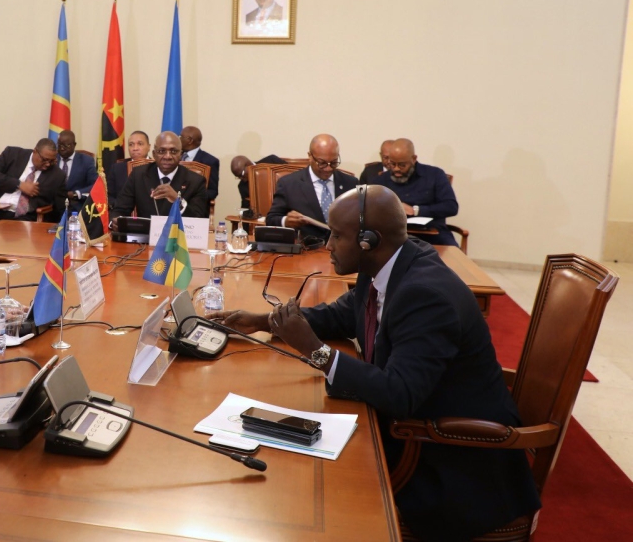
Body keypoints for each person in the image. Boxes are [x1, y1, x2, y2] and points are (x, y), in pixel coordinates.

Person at [210, 185, 540, 541]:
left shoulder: (425, 294)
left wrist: (316, 351)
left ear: (368, 239)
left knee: (306, 492)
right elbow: (342, 315)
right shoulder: (389, 263)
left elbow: (400, 394)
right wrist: (261, 321)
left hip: (453, 463)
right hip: (418, 426)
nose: (328, 245)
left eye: (336, 235)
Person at [266, 134, 357, 243]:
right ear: (310, 156)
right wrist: (286, 221)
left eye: (333, 162)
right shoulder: (289, 184)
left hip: (343, 250)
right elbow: (271, 219)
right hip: (307, 251)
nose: (328, 168)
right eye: (322, 163)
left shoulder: (351, 183)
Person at [368, 138, 459, 246]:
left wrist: (415, 210)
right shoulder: (381, 180)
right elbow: (368, 209)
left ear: (414, 159)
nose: (396, 169)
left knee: (453, 256)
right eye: (392, 164)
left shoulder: (434, 175)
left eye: (402, 165)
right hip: (393, 235)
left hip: (432, 233)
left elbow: (451, 207)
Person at [0, 138, 67, 231]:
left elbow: (59, 208)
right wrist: (19, 184)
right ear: (35, 151)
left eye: (52, 161)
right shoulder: (13, 154)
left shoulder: (57, 176)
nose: (48, 164)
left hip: (23, 218)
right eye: (44, 160)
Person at [113, 131, 208, 219]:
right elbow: (120, 209)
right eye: (162, 151)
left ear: (181, 154)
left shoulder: (196, 181)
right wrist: (115, 221)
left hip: (179, 235)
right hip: (146, 234)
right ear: (154, 154)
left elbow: (199, 219)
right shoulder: (138, 175)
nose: (167, 156)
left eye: (173, 151)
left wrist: (177, 201)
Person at [106, 130, 150, 209]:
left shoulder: (156, 166)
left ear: (149, 147)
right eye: (131, 145)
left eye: (140, 144)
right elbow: (108, 195)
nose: (135, 148)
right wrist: (119, 206)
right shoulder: (117, 169)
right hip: (123, 214)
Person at [56, 130, 97, 202]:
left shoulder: (86, 161)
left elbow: (95, 185)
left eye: (66, 145)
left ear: (74, 145)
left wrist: (76, 194)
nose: (62, 148)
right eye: (60, 145)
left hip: (77, 205)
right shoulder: (52, 159)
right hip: (54, 206)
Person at [180, 126, 219, 201]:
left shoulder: (210, 161)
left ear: (189, 140)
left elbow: (212, 192)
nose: (179, 139)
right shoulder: (175, 157)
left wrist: (190, 196)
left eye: (181, 137)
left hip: (196, 207)